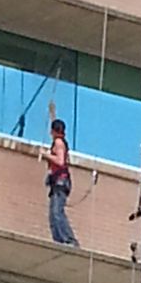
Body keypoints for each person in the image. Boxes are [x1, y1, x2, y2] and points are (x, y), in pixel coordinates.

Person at [40, 101, 79, 247]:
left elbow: (60, 161)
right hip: (58, 182)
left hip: (60, 182)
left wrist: (46, 154)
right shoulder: (59, 141)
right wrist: (52, 113)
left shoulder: (58, 143)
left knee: (57, 212)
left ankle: (68, 240)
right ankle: (59, 240)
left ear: (54, 131)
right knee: (53, 214)